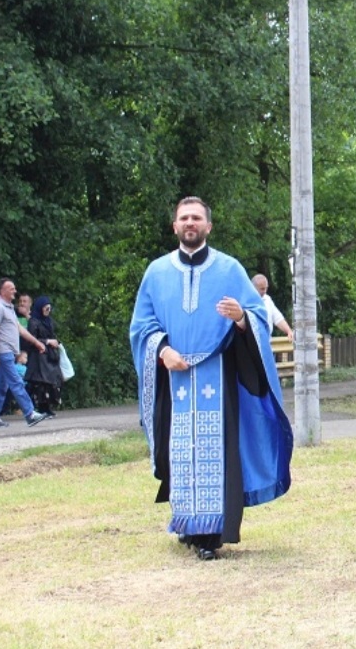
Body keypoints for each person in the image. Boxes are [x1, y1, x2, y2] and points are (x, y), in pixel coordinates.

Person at [129, 197, 293, 561]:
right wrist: (161, 350)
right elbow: (142, 325)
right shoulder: (156, 273)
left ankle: (212, 534)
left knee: (217, 453)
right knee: (179, 451)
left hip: (218, 377)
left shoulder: (229, 269)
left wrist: (240, 318)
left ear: (208, 226)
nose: (190, 223)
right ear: (174, 226)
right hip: (174, 379)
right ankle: (187, 524)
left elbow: (257, 317)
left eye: (197, 218)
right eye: (184, 218)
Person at [0, 279, 50, 428]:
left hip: (9, 353)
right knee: (17, 382)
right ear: (3, 291)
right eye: (11, 288)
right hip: (3, 352)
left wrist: (37, 343)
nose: (14, 291)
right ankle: (30, 413)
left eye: (14, 288)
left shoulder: (10, 308)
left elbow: (20, 330)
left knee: (2, 387)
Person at [25, 296, 64, 416]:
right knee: (40, 384)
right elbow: (31, 339)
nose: (48, 311)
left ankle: (47, 408)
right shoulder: (33, 321)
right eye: (46, 309)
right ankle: (40, 408)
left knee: (51, 383)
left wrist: (56, 342)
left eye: (49, 309)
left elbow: (52, 334)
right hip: (38, 357)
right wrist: (47, 341)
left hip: (49, 356)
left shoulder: (48, 321)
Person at [250, 274, 294, 341]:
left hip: (267, 341)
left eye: (266, 288)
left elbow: (277, 318)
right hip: (252, 341)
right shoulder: (247, 301)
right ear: (253, 288)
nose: (265, 291)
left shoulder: (267, 299)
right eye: (262, 289)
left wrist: (289, 331)